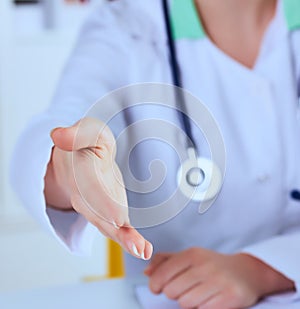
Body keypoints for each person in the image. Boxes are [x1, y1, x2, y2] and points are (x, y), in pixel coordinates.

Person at [11, 0, 300, 308]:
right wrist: (70, 164)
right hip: (176, 297)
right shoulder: (125, 26)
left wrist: (264, 269)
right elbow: (62, 122)